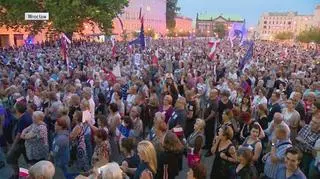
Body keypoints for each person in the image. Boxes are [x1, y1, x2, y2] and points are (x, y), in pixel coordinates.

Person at [7, 100, 32, 177]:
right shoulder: (26, 115)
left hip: (21, 144)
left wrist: (12, 147)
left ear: (17, 109)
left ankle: (16, 174)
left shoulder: (22, 119)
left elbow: (18, 135)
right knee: (28, 161)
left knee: (10, 158)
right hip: (25, 143)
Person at [203, 88, 219, 156]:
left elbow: (212, 114)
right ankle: (206, 145)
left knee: (210, 135)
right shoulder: (209, 100)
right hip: (206, 120)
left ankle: (210, 150)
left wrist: (206, 119)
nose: (210, 94)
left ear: (215, 94)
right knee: (206, 133)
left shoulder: (215, 102)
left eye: (211, 93)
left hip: (210, 122)